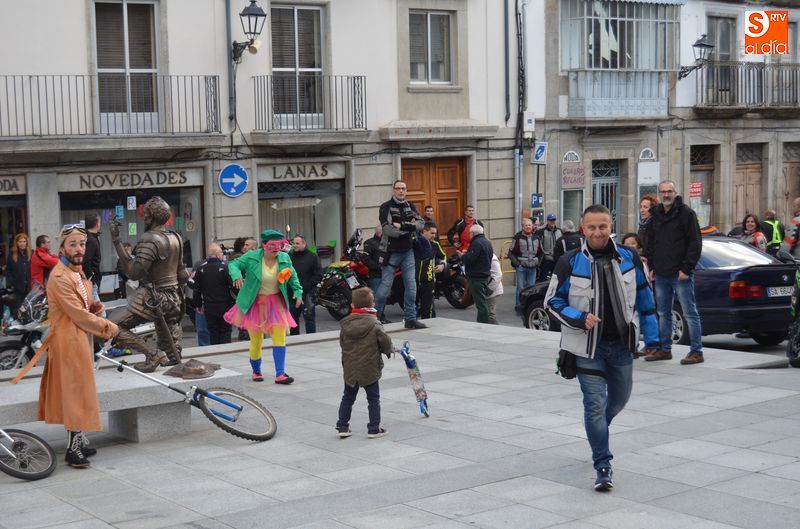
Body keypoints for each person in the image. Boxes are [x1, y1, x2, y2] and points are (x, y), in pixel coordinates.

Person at [545, 204, 659, 491]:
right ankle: (603, 465)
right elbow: (551, 302)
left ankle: (598, 431)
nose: (598, 232)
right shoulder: (570, 262)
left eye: (603, 226)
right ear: (583, 229)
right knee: (594, 406)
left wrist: (653, 340)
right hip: (586, 349)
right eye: (592, 227)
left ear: (611, 227)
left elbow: (645, 298)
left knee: (619, 400)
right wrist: (579, 317)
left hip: (621, 347)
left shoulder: (629, 257)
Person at [11, 223, 120, 469]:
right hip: (68, 342)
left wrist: (94, 305)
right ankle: (73, 450)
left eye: (82, 244)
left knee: (78, 393)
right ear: (62, 248)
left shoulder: (75, 272)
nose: (79, 248)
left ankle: (78, 441)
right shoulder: (60, 276)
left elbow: (81, 305)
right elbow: (77, 315)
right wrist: (109, 327)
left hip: (78, 339)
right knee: (74, 396)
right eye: (73, 244)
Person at [109, 196, 188, 372]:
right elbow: (183, 275)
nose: (143, 217)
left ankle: (152, 354)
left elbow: (134, 273)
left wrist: (116, 240)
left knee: (111, 326)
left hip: (154, 297)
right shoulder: (176, 237)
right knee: (170, 351)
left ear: (151, 217)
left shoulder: (151, 238)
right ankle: (170, 355)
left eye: (145, 214)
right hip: (174, 297)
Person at [225, 229, 302, 383]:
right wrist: (237, 275)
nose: (276, 250)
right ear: (265, 245)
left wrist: (298, 291)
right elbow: (233, 264)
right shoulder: (251, 256)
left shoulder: (284, 257)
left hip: (276, 303)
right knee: (256, 340)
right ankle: (256, 371)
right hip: (255, 304)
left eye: (280, 246)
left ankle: (280, 374)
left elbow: (292, 275)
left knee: (280, 338)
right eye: (272, 246)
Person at [644, 180, 704, 365]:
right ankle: (665, 349)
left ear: (675, 192)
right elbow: (651, 243)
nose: (666, 195)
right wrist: (652, 267)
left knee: (689, 313)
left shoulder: (687, 214)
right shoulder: (655, 215)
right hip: (661, 273)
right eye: (663, 192)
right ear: (659, 194)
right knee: (663, 313)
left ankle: (696, 351)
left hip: (680, 273)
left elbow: (695, 243)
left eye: (669, 191)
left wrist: (687, 268)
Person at [335, 287, 393, 439]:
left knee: (347, 398)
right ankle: (374, 428)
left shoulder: (345, 324)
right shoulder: (374, 323)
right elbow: (385, 342)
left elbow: (342, 343)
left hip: (351, 369)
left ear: (352, 305)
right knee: (373, 399)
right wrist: (388, 351)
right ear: (372, 304)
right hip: (369, 368)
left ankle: (342, 426)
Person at [375, 181, 426, 329]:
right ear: (393, 190)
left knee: (411, 287)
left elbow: (421, 224)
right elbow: (388, 230)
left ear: (406, 190)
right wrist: (409, 230)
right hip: (390, 253)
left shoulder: (410, 206)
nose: (401, 191)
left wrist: (403, 226)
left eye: (403, 188)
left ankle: (410, 319)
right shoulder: (385, 207)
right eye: (398, 188)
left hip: (408, 252)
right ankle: (375, 318)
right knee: (385, 289)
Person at [193, 243, 235, 345]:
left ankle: (215, 350)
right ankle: (225, 351)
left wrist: (198, 304)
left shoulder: (200, 269)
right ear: (217, 254)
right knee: (225, 330)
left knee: (213, 331)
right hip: (225, 305)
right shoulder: (226, 267)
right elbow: (233, 286)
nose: (222, 255)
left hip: (209, 306)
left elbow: (197, 289)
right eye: (221, 253)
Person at [289, 234, 322, 335]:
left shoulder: (313, 257)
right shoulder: (289, 256)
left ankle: (311, 340)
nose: (295, 245)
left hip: (308, 293)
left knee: (309, 318)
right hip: (293, 293)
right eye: (293, 243)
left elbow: (318, 275)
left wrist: (307, 286)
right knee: (293, 320)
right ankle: (295, 340)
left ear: (304, 244)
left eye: (297, 243)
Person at [459, 224, 493, 324]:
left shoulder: (476, 243)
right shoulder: (487, 242)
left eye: (469, 233)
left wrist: (462, 256)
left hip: (477, 277)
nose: (469, 235)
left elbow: (470, 259)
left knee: (481, 303)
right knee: (481, 302)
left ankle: (483, 324)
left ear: (473, 233)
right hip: (484, 274)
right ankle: (483, 322)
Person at [507, 218, 542, 312]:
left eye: (529, 225)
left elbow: (541, 252)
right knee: (520, 287)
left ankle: (529, 305)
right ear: (523, 227)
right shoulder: (517, 237)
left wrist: (538, 263)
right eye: (526, 225)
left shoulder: (537, 237)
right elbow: (510, 253)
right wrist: (517, 264)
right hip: (521, 267)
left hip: (533, 267)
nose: (528, 227)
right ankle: (519, 305)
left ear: (532, 226)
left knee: (532, 287)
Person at [414, 222, 440, 320]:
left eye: (435, 234)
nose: (434, 236)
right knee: (412, 309)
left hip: (428, 281)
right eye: (432, 233)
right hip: (413, 281)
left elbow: (443, 257)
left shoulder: (435, 244)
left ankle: (429, 326)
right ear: (424, 231)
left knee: (428, 310)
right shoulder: (414, 242)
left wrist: (442, 265)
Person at [7, 233, 32, 315]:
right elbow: (8, 271)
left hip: (30, 288)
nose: (22, 244)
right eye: (20, 242)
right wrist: (14, 283)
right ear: (17, 243)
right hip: (18, 288)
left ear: (27, 242)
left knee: (30, 310)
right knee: (19, 310)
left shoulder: (31, 253)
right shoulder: (12, 254)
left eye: (24, 241)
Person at [83, 212, 103, 308]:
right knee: (100, 312)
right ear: (97, 224)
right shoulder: (91, 240)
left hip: (90, 280)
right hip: (91, 281)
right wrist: (91, 278)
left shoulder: (87, 237)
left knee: (92, 310)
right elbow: (85, 261)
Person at [536, 213, 563, 281]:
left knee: (556, 279)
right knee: (543, 279)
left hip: (557, 259)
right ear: (547, 221)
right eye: (551, 220)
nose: (552, 222)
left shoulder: (560, 231)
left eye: (554, 220)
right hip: (546, 259)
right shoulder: (542, 232)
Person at [362, 225, 384, 294]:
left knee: (385, 296)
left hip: (387, 275)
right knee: (376, 297)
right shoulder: (369, 243)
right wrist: (379, 266)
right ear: (380, 233)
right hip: (376, 276)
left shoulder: (387, 242)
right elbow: (366, 259)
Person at [486, 253, 503, 325]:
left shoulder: (492, 258)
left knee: (491, 315)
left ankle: (495, 329)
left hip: (493, 289)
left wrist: (490, 289)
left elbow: (498, 275)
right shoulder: (487, 255)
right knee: (488, 314)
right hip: (490, 288)